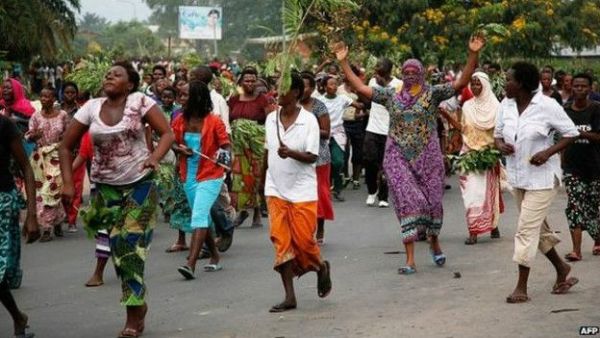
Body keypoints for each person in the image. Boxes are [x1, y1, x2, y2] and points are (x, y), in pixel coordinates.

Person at [334, 34, 485, 274]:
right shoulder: (390, 96)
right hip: (397, 158)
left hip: (429, 157)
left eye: (415, 72)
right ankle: (410, 260)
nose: (410, 76)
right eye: (406, 72)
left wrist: (473, 53)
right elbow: (361, 87)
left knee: (432, 202)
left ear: (422, 74)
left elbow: (460, 82)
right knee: (407, 202)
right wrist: (343, 62)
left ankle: (434, 240)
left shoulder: (433, 93)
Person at [59, 61, 174, 337]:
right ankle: (139, 303)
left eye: (117, 74)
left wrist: (154, 158)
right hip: (104, 188)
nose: (110, 75)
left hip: (140, 185)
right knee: (115, 249)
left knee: (128, 245)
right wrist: (67, 183)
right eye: (108, 73)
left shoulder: (140, 101)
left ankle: (133, 315)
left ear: (130, 84)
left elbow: (167, 133)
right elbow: (65, 146)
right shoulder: (90, 108)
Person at [494, 62, 580, 303]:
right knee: (536, 229)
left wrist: (548, 153)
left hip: (542, 179)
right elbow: (497, 134)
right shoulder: (506, 104)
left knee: (525, 231)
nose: (505, 83)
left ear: (521, 83)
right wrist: (501, 145)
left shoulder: (546, 105)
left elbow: (571, 133)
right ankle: (562, 269)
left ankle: (521, 287)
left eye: (508, 79)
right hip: (518, 177)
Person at [261, 72, 331, 313]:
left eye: (284, 88)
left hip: (302, 191)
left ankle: (320, 266)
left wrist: (290, 153)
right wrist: (261, 184)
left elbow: (312, 156)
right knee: (281, 243)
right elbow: (266, 153)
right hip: (275, 189)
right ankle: (289, 296)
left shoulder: (309, 120)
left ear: (296, 93)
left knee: (304, 242)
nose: (278, 93)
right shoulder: (271, 119)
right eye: (277, 88)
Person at [172, 80, 231, 280]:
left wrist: (221, 157)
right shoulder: (179, 120)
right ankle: (215, 256)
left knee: (198, 215)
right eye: (179, 95)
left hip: (210, 175)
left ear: (197, 98)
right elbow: (172, 142)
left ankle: (190, 264)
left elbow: (226, 147)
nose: (181, 99)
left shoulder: (214, 121)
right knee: (202, 217)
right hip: (188, 175)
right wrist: (180, 149)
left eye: (185, 95)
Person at [0, 114, 40, 338]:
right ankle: (17, 316)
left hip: (2, 201)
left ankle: (17, 316)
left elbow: (26, 167)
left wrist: (32, 215)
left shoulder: (4, 125)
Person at [457, 72, 503, 244]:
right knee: (470, 194)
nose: (475, 87)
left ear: (485, 85)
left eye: (478, 84)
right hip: (468, 155)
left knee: (486, 194)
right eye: (473, 84)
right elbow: (463, 130)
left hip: (488, 157)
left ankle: (492, 224)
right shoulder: (467, 106)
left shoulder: (496, 108)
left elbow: (499, 133)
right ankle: (473, 229)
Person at [561, 73, 600, 261]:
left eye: (583, 86)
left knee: (592, 208)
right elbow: (560, 137)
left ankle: (598, 240)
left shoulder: (596, 110)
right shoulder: (565, 110)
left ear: (590, 88)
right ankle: (576, 250)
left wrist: (577, 133)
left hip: (594, 167)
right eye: (576, 86)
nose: (579, 89)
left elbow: (598, 137)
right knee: (574, 206)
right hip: (571, 167)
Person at [228, 67, 272, 228]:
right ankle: (243, 210)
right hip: (239, 147)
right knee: (240, 178)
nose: (250, 83)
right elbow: (228, 120)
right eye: (247, 80)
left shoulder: (262, 100)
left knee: (256, 176)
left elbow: (270, 121)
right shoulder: (234, 99)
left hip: (257, 146)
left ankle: (257, 212)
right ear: (241, 82)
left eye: (253, 80)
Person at [26, 87, 69, 242]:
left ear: (53, 98)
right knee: (42, 193)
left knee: (50, 189)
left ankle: (46, 228)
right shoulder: (35, 116)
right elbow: (28, 136)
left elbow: (69, 133)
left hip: (57, 156)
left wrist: (64, 138)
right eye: (42, 96)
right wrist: (33, 135)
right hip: (40, 158)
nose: (44, 99)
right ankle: (57, 221)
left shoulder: (63, 115)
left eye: (48, 96)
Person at [300, 71, 333, 245]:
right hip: (297, 156)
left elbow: (326, 133)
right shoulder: (291, 105)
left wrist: (307, 128)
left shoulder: (319, 106)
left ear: (312, 88)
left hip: (319, 157)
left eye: (306, 86)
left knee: (319, 194)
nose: (302, 90)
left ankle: (320, 227)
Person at [364, 58, 402, 207]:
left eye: (379, 65)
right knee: (369, 160)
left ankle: (383, 196)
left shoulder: (398, 84)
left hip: (389, 131)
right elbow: (367, 100)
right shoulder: (372, 82)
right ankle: (372, 189)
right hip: (372, 128)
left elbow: (397, 107)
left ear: (388, 69)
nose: (376, 67)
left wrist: (383, 88)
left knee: (386, 164)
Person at [318, 75, 363, 202]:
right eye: (331, 84)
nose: (334, 86)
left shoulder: (342, 98)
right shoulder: (320, 101)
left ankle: (337, 187)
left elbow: (357, 105)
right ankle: (328, 189)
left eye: (335, 84)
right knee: (324, 163)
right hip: (323, 134)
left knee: (338, 162)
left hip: (338, 134)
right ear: (324, 87)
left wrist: (364, 101)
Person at [61, 81, 83, 233]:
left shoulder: (81, 111)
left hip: (76, 153)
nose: (69, 95)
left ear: (76, 94)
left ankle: (72, 219)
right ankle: (61, 214)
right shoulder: (57, 109)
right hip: (58, 155)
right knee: (59, 184)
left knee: (76, 186)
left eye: (72, 93)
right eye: (67, 92)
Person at [0, 78, 36, 157]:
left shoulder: (25, 107)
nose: (5, 90)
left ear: (16, 90)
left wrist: (17, 120)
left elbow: (33, 124)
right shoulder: (1, 105)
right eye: (3, 88)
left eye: (8, 88)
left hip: (22, 148)